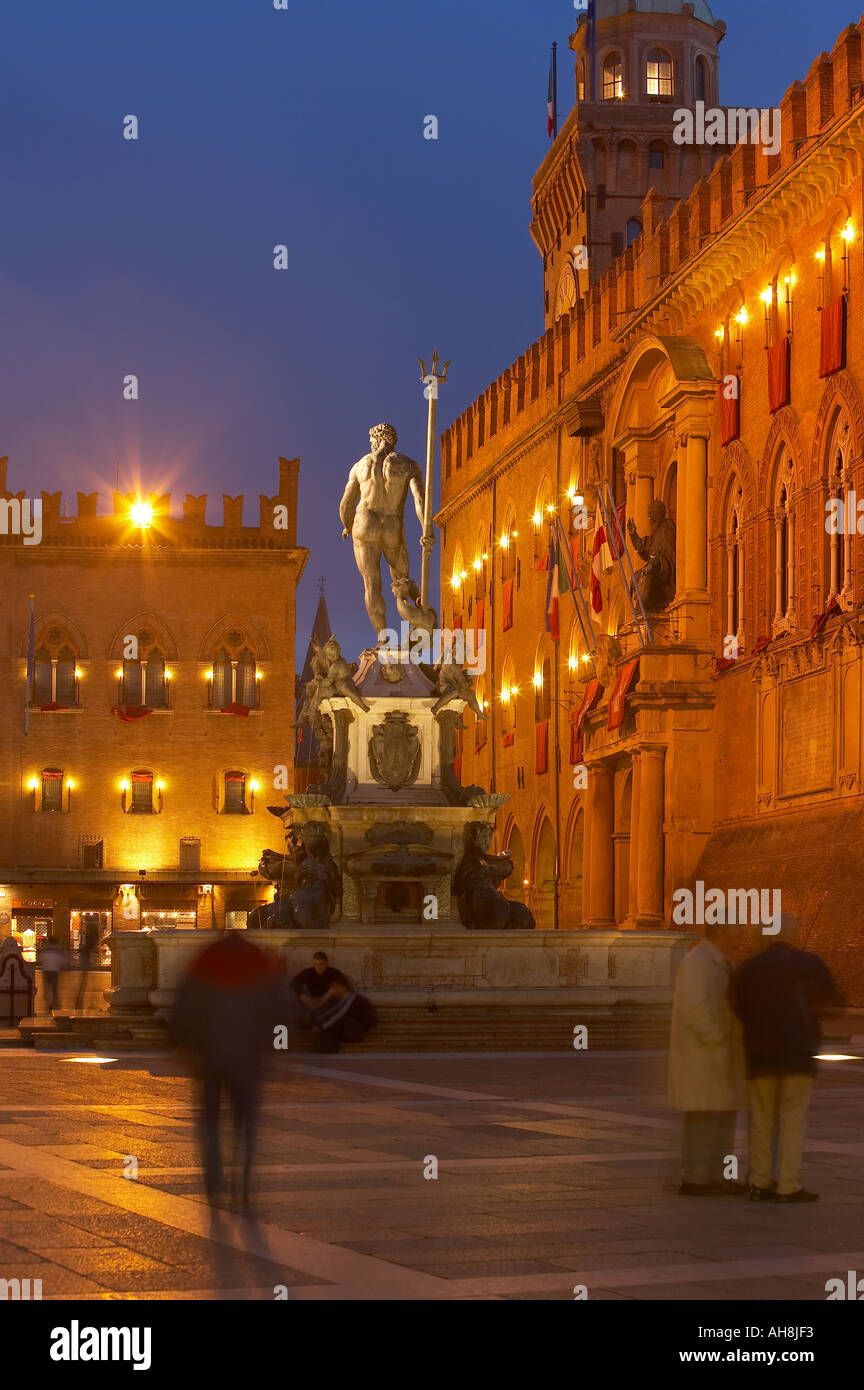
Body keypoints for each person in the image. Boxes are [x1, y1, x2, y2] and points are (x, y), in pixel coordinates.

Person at [169, 930, 297, 1210]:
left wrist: (179, 1043)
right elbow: (281, 1013)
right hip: (248, 1059)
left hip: (210, 1058)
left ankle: (214, 1182)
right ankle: (244, 1183)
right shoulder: (259, 963)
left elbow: (184, 1006)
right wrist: (281, 1050)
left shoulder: (206, 960)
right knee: (246, 1123)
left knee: (211, 1123)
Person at [731, 912, 840, 1204]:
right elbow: (832, 1002)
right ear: (792, 934)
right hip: (797, 1053)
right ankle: (788, 1185)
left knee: (761, 1121)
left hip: (760, 1054)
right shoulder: (808, 964)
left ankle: (760, 1182)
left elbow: (737, 1006)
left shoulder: (749, 968)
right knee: (792, 1120)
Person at [667, 923, 747, 1196]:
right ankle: (695, 1179)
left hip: (720, 1054)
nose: (741, 935)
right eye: (737, 930)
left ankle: (718, 1177)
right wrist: (717, 1038)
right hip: (702, 1054)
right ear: (722, 931)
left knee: (724, 1116)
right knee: (702, 1117)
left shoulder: (722, 962)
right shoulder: (697, 962)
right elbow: (694, 1007)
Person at [291, 951, 377, 1054]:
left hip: (354, 1029)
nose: (319, 968)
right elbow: (294, 983)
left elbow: (337, 1012)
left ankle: (323, 1044)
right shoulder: (309, 972)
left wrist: (324, 1000)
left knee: (332, 1024)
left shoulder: (349, 996)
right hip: (316, 1008)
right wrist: (307, 1000)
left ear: (326, 963)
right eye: (316, 965)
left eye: (321, 964)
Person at [37, 935, 65, 1013]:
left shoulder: (45, 950)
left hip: (46, 971)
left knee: (46, 989)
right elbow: (63, 961)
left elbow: (40, 959)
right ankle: (55, 1005)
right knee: (54, 989)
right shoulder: (59, 951)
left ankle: (48, 1005)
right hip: (55, 971)